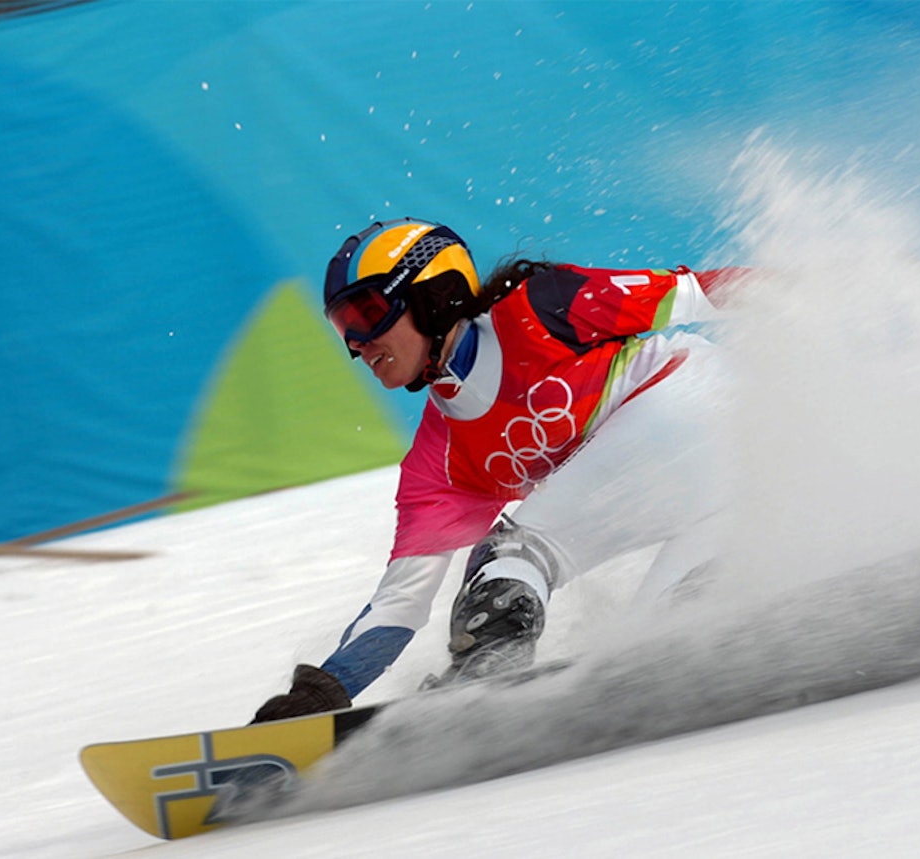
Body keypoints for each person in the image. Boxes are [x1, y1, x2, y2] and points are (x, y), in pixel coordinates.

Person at [252, 217, 745, 722]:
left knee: (510, 556)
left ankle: (481, 691)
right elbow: (401, 602)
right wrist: (324, 692)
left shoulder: (538, 307)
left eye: (366, 315)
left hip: (706, 406)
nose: (357, 344)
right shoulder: (437, 462)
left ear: (432, 296)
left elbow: (698, 292)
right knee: (655, 655)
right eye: (343, 329)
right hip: (741, 490)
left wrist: (813, 288)